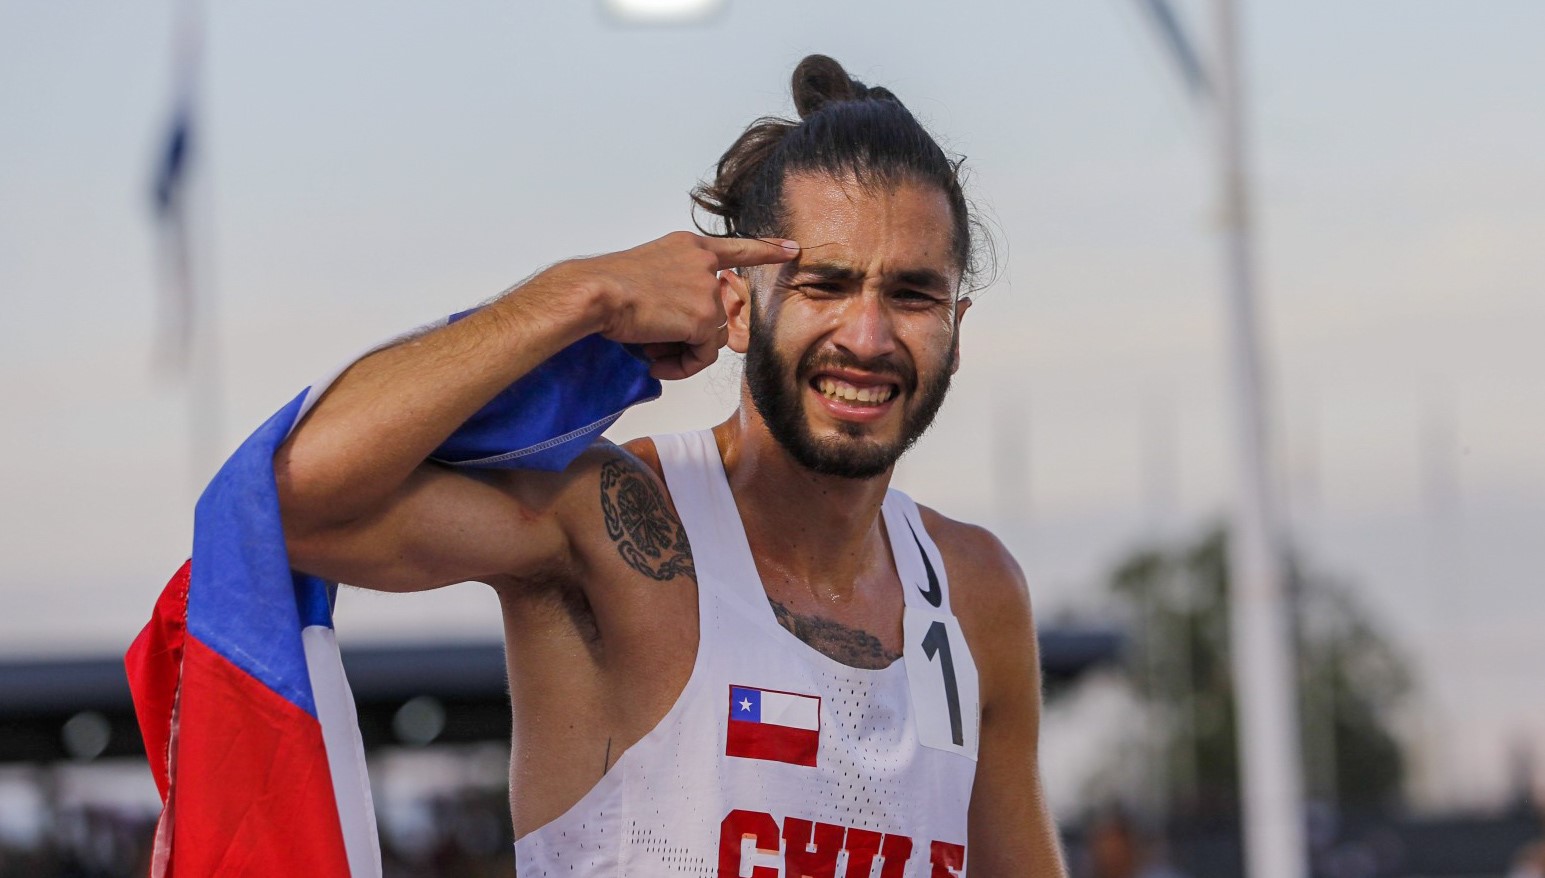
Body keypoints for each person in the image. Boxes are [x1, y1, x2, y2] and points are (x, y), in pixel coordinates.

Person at [275, 54, 1066, 876]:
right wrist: (582, 296)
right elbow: (294, 498)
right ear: (737, 305)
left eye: (911, 295)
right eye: (823, 286)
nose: (866, 338)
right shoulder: (615, 522)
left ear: (956, 327)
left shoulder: (974, 590)